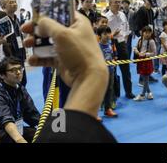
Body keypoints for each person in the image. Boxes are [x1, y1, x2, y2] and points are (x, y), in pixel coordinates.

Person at [21, 13, 117, 142]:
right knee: (55, 104)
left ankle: (59, 125)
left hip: (67, 78)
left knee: (61, 103)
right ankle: (58, 125)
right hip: (56, 76)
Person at [0, 57, 40, 143]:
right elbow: (6, 121)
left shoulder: (20, 89)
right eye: (13, 70)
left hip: (17, 129)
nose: (18, 72)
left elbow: (33, 115)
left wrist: (49, 127)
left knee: (42, 136)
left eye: (20, 68)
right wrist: (20, 140)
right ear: (1, 75)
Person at [104, 0, 135, 99]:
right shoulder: (105, 17)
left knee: (126, 68)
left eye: (119, 2)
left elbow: (126, 27)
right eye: (115, 2)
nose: (117, 4)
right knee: (112, 70)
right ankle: (115, 93)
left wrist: (125, 36)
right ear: (110, 4)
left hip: (122, 44)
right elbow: (103, 34)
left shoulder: (122, 15)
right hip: (110, 44)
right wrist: (113, 35)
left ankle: (128, 91)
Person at [0, 0, 27, 86]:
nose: (14, 4)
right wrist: (9, 58)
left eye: (15, 2)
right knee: (12, 84)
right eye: (11, 2)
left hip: (20, 57)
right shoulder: (2, 21)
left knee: (23, 82)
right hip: (9, 58)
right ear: (3, 7)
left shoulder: (17, 19)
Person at [133, 0, 159, 80]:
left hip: (150, 34)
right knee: (142, 56)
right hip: (144, 36)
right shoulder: (141, 10)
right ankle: (142, 77)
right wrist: (140, 33)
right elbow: (136, 22)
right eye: (150, 1)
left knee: (149, 56)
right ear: (146, 1)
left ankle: (148, 75)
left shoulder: (151, 10)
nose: (151, 2)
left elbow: (151, 21)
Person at [97, 26, 118, 118]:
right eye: (105, 34)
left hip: (110, 70)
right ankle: (93, 113)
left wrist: (114, 61)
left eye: (108, 33)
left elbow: (112, 55)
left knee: (109, 89)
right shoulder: (97, 47)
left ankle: (108, 108)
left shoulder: (110, 44)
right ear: (99, 36)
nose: (107, 35)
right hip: (100, 73)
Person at [133, 26, 156, 101]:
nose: (147, 34)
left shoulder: (152, 41)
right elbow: (135, 47)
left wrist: (146, 54)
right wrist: (136, 51)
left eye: (149, 33)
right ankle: (149, 92)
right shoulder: (140, 40)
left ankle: (142, 94)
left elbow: (154, 53)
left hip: (147, 61)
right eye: (146, 32)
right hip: (140, 60)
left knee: (146, 78)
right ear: (142, 33)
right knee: (143, 76)